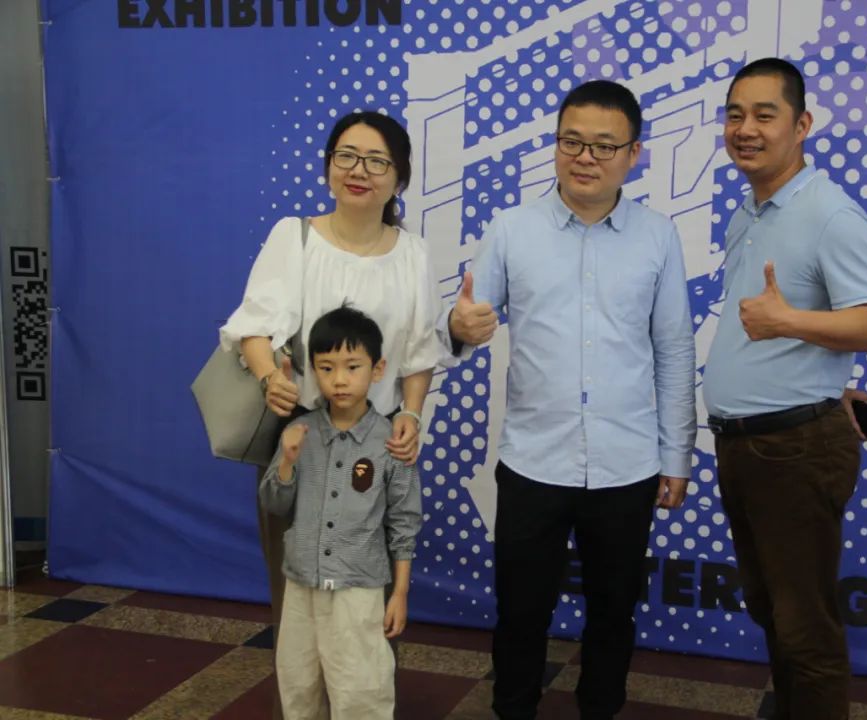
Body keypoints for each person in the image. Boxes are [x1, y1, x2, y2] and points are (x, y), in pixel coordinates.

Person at [447, 80, 697, 720]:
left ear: (634, 153)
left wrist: (677, 456)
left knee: (613, 614)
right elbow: (465, 322)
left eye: (604, 146)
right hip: (533, 460)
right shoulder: (512, 229)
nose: (585, 157)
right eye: (571, 142)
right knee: (520, 612)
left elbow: (673, 351)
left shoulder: (657, 236)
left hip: (627, 464)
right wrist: (458, 328)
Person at [219, 111, 441, 719]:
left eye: (376, 160)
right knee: (296, 600)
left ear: (399, 177)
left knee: (370, 603)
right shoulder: (294, 237)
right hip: (301, 439)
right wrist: (270, 378)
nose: (358, 171)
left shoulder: (413, 253)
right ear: (327, 167)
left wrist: (412, 415)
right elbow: (253, 327)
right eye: (346, 156)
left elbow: (420, 352)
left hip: (377, 443)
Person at [702, 58, 867, 720]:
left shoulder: (829, 213)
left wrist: (787, 322)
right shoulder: (750, 211)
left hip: (793, 448)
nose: (746, 129)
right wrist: (829, 380)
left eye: (765, 115)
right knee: (773, 612)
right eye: (735, 115)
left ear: (802, 124)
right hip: (747, 444)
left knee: (804, 627)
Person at [259, 306, 421, 720]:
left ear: (378, 369)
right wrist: (287, 461)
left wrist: (400, 593)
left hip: (358, 590)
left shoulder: (391, 442)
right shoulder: (299, 433)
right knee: (298, 688)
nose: (340, 379)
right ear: (313, 371)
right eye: (326, 368)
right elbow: (274, 505)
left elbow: (404, 522)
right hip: (302, 585)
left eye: (352, 366)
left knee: (361, 693)